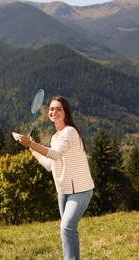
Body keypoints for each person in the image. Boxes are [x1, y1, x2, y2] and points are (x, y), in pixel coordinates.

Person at [17, 96, 94, 260]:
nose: (54, 112)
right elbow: (50, 164)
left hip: (81, 190)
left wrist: (31, 144)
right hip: (63, 191)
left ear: (66, 113)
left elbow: (56, 153)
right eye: (52, 109)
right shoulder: (55, 137)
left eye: (58, 109)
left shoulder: (70, 132)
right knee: (67, 228)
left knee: (67, 227)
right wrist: (33, 150)